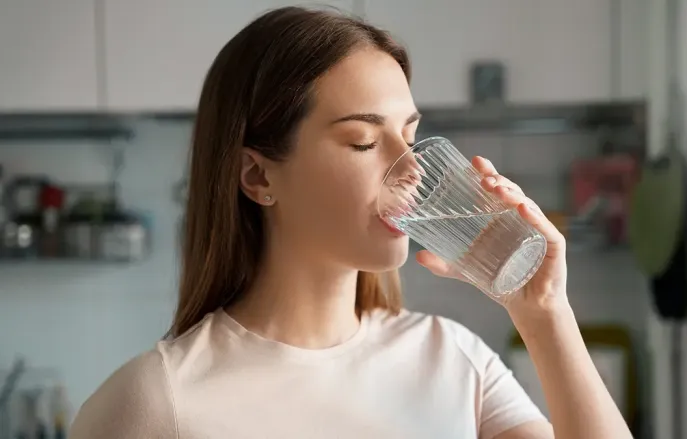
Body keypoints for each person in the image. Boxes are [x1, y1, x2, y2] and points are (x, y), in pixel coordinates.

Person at [69, 6, 632, 439]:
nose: (412, 169)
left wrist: (544, 312)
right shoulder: (158, 401)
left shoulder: (452, 360)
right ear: (258, 177)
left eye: (410, 135)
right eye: (363, 141)